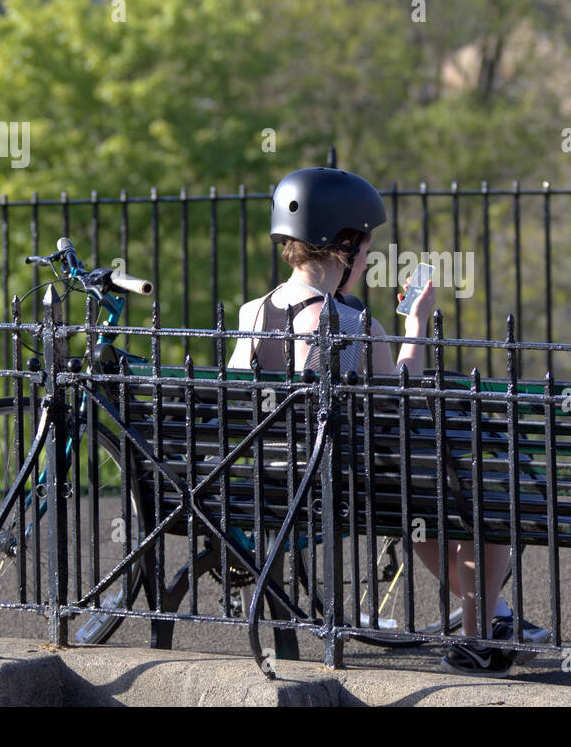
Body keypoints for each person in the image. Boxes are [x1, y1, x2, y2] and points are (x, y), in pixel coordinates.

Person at [230, 166, 547, 676]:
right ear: (343, 244)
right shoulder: (353, 325)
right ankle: (477, 643)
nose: (368, 258)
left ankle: (497, 618)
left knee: (422, 518)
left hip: (271, 484)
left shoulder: (251, 313)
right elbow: (403, 401)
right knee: (489, 503)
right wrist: (415, 326)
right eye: (366, 246)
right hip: (345, 489)